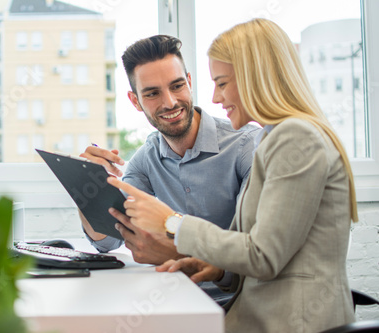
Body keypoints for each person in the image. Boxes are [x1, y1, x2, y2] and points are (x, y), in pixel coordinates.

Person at [107, 19, 357, 333]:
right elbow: (260, 255)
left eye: (222, 83)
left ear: (256, 78)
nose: (213, 98)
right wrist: (213, 268)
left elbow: (263, 257)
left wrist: (172, 223)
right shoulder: (272, 138)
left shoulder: (296, 138)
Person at [79, 35, 260, 266]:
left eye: (177, 86)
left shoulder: (247, 146)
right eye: (152, 93)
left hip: (235, 298)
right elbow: (107, 240)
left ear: (190, 82)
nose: (170, 102)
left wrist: (175, 241)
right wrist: (87, 184)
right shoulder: (146, 159)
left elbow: (256, 250)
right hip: (177, 294)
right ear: (135, 101)